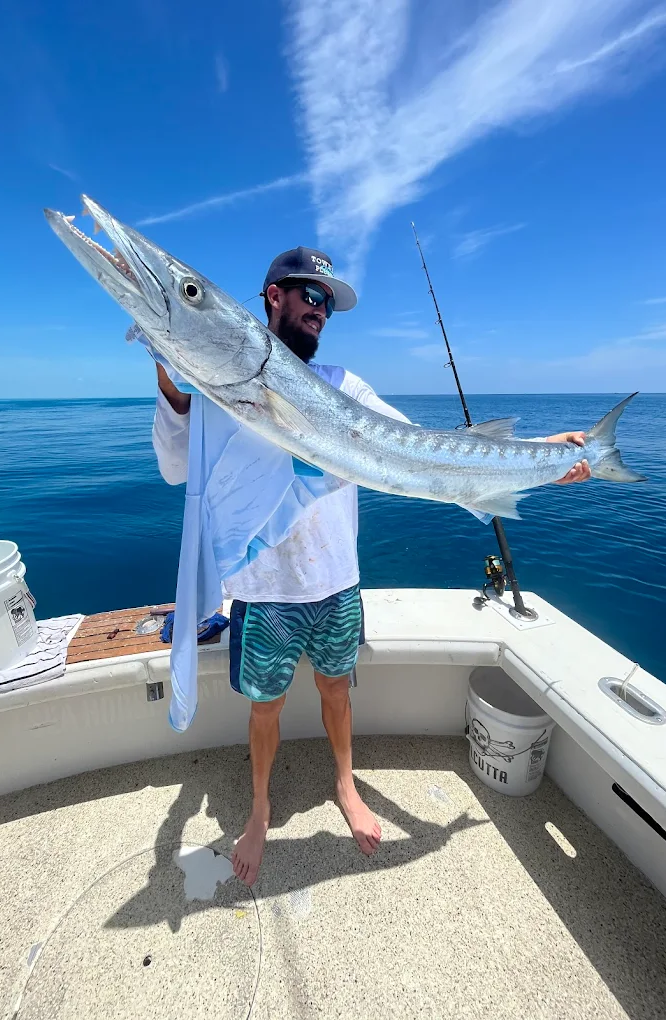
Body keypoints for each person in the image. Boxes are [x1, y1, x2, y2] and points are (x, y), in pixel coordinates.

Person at [151, 246, 591, 887]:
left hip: (335, 583)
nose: (322, 311)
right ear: (273, 295)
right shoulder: (217, 392)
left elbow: (430, 454)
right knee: (265, 708)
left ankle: (346, 786)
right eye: (312, 296)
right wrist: (172, 388)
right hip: (264, 591)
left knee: (337, 692)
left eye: (329, 303)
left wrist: (546, 457)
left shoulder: (344, 385)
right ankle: (259, 810)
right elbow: (173, 468)